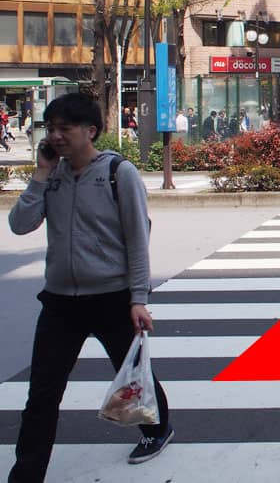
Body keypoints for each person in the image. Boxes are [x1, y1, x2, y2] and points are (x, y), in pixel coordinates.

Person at [7, 93, 172, 481]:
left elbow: (137, 238)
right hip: (60, 302)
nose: (56, 136)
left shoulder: (118, 172)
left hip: (111, 298)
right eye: (51, 128)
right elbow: (20, 224)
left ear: (91, 131)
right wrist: (40, 175)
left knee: (131, 373)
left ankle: (157, 428)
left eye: (65, 128)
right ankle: (27, 473)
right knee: (43, 392)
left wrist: (138, 298)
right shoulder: (53, 176)